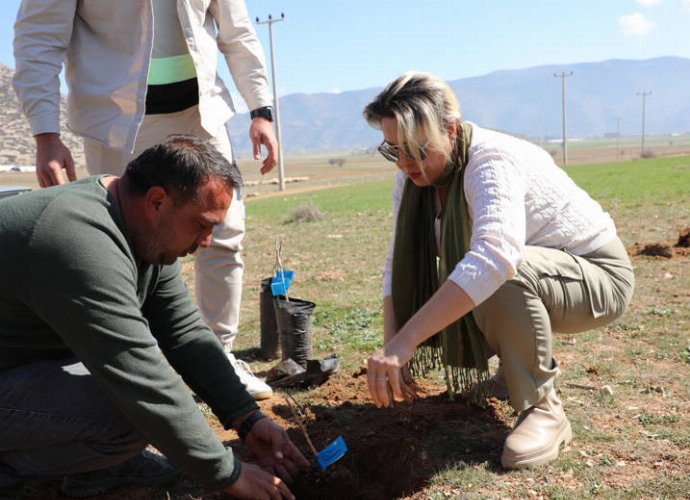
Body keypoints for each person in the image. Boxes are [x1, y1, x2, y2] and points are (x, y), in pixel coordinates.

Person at [0, 136, 308, 498]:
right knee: (129, 410)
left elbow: (183, 332)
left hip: (18, 369)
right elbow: (136, 373)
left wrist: (246, 417)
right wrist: (228, 474)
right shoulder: (77, 240)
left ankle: (97, 467)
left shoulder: (141, 230)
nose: (206, 241)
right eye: (202, 225)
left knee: (132, 404)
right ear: (157, 201)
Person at [362, 72, 635, 469]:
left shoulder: (490, 160)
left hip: (597, 278)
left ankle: (543, 408)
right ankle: (512, 373)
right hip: (544, 272)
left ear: (450, 129)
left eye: (416, 150)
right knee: (465, 275)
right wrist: (393, 345)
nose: (405, 164)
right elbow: (395, 263)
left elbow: (498, 256)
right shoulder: (411, 182)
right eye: (392, 151)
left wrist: (406, 341)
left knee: (499, 271)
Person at [12, 0, 276, 399]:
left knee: (222, 233)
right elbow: (38, 39)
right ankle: (141, 372)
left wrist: (261, 109)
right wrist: (45, 134)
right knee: (122, 244)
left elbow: (236, 31)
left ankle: (218, 360)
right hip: (117, 124)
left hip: (199, 115)